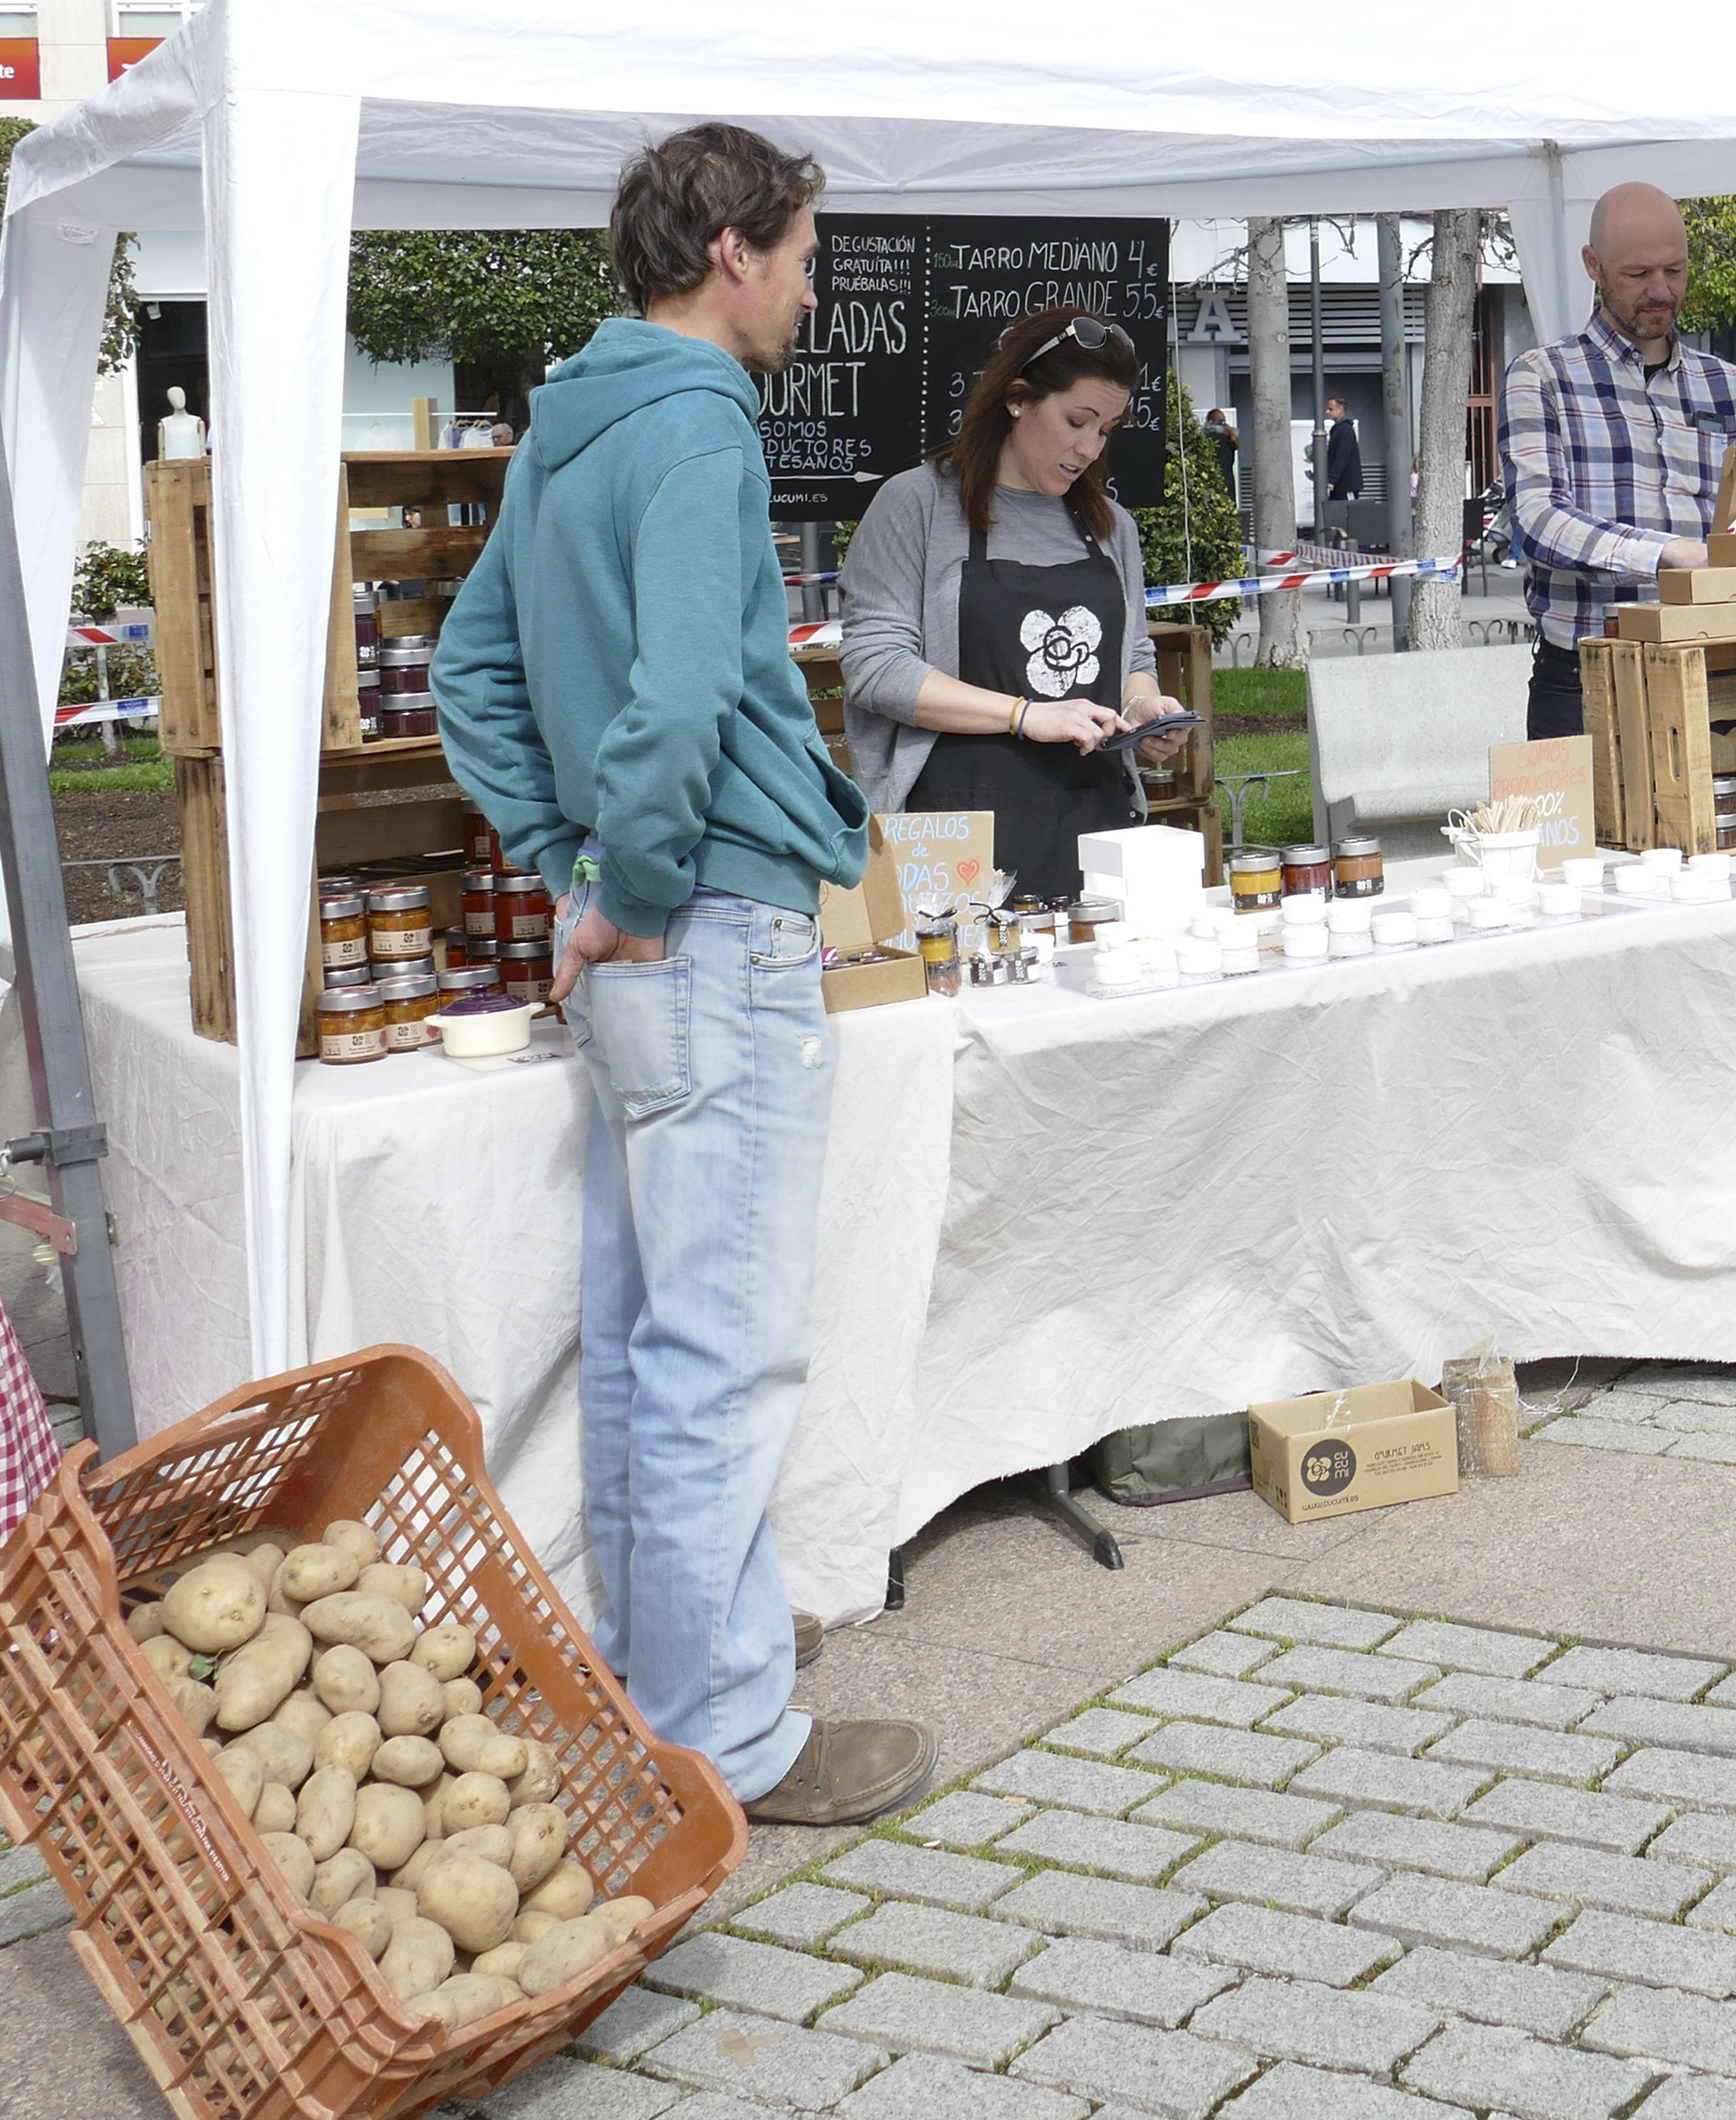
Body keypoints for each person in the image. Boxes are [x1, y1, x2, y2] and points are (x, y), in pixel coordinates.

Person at [431, 124, 931, 1828]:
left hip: (645, 938)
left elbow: (469, 673)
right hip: (711, 930)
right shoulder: (704, 420)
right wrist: (628, 884)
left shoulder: (564, 421)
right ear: (732, 252)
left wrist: (573, 873)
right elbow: (683, 696)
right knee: (721, 1352)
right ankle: (725, 1740)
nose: (811, 290)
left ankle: (674, 1682)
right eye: (803, 256)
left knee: (654, 1342)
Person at [837, 307, 1194, 896]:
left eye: (1106, 429)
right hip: (953, 836)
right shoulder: (918, 506)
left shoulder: (1112, 528)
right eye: (1077, 421)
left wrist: (1142, 710)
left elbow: (1131, 658)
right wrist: (1026, 715)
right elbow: (877, 669)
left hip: (1099, 825)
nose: (1089, 448)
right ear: (1017, 399)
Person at [1500, 181, 1736, 740]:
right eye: (1638, 274)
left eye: (1675, 270)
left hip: (1713, 667)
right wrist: (1665, 554)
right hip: (1585, 677)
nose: (1660, 290)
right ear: (1593, 266)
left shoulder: (1729, 387)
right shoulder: (1542, 377)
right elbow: (1537, 520)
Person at [1320, 396, 1365, 544]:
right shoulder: (1339, 430)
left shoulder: (1345, 430)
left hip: (1346, 484)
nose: (1327, 412)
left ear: (1341, 410)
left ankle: (1354, 542)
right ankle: (1340, 542)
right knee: (1337, 515)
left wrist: (1332, 479)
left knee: (1350, 513)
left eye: (1331, 409)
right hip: (1340, 484)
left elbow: (1342, 456)